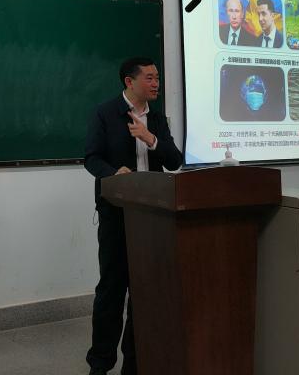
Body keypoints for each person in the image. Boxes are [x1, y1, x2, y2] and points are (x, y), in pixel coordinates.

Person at [84, 57, 183, 375]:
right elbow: (92, 158)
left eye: (157, 78)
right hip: (116, 214)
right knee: (111, 290)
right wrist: (115, 174)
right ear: (130, 81)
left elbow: (175, 160)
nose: (156, 83)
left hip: (152, 217)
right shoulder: (105, 113)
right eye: (150, 78)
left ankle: (135, 364)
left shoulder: (156, 118)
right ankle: (100, 363)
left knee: (144, 292)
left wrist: (151, 139)